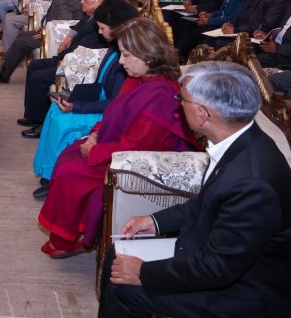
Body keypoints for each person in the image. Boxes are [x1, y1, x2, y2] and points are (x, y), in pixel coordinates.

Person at [99, 62, 291, 317]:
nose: (178, 104)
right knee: (118, 255)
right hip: (217, 255)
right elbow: (205, 203)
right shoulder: (240, 140)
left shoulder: (252, 182)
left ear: (202, 114)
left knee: (123, 288)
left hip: (244, 292)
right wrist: (155, 221)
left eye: (182, 99)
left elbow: (218, 268)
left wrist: (143, 272)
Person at [38, 18, 198, 258]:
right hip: (119, 144)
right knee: (68, 155)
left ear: (148, 55)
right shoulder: (137, 79)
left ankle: (70, 238)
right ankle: (74, 231)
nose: (121, 61)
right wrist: (95, 133)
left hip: (142, 162)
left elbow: (139, 148)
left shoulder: (161, 95)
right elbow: (113, 112)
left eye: (126, 55)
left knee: (71, 171)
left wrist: (95, 151)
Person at [31, 0, 139, 200]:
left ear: (117, 26)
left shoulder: (128, 58)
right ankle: (47, 172)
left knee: (64, 121)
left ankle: (55, 177)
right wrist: (77, 97)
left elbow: (115, 104)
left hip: (108, 113)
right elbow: (101, 84)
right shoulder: (115, 48)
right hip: (100, 102)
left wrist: (77, 107)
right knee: (55, 110)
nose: (100, 33)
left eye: (102, 28)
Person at [19, 0, 112, 136]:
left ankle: (42, 124)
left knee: (39, 77)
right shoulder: (91, 16)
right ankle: (32, 116)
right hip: (66, 57)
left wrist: (66, 58)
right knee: (34, 65)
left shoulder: (104, 21)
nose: (81, 2)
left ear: (99, 0)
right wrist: (68, 37)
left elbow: (92, 51)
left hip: (76, 65)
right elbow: (78, 26)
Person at [0, 0, 82, 83]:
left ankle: (3, 75)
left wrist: (44, 33)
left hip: (56, 36)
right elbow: (53, 13)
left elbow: (64, 20)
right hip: (50, 30)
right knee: (21, 35)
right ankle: (5, 66)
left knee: (21, 42)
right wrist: (42, 25)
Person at [175, 0, 253, 61]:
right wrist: (210, 15)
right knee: (189, 24)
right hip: (221, 19)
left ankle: (184, 57)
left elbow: (235, 16)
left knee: (197, 32)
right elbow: (223, 9)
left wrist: (209, 21)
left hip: (230, 24)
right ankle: (180, 55)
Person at [253, 0, 291, 69]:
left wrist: (277, 49)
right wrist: (267, 36)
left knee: (258, 58)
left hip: (286, 55)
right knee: (248, 45)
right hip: (277, 44)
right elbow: (282, 30)